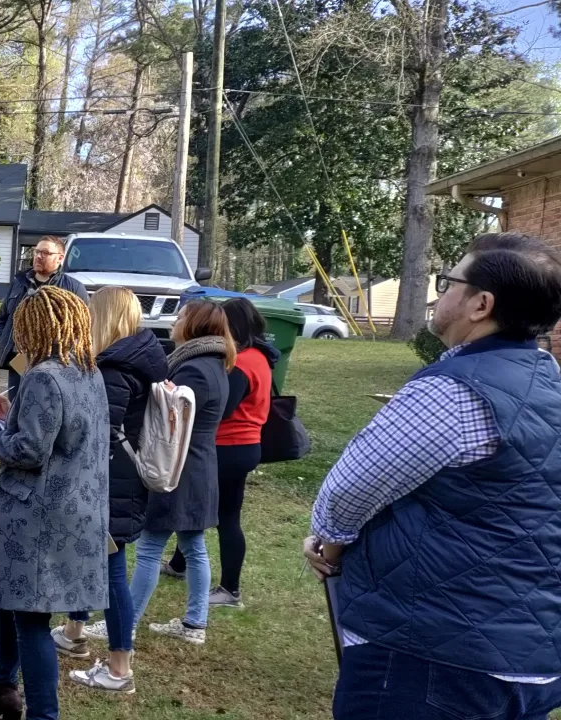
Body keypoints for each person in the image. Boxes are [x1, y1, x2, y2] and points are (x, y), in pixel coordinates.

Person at [305, 232, 561, 720]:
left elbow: (351, 489)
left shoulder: (453, 393)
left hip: (431, 656)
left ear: (481, 304)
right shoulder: (546, 377)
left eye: (449, 282)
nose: (439, 293)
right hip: (526, 656)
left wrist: (329, 546)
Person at [0, 285, 108, 720]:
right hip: (75, 511)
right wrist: (10, 415)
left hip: (38, 519)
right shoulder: (86, 372)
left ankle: (43, 714)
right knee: (7, 604)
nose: (18, 338)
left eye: (22, 329)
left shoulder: (45, 375)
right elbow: (65, 436)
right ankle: (1, 692)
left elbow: (28, 452)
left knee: (28, 620)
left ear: (37, 328)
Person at [52, 287, 169, 694]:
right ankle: (73, 630)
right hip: (117, 481)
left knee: (112, 570)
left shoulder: (118, 368)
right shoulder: (136, 358)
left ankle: (120, 667)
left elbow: (99, 430)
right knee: (95, 558)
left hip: (111, 484)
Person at [126, 301, 233, 646]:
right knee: (194, 546)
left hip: (178, 471)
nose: (175, 321)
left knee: (149, 547)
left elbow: (168, 424)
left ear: (195, 325)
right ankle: (194, 624)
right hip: (199, 468)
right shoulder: (213, 363)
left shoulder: (193, 370)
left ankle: (123, 625)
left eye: (182, 316)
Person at [163, 297, 279, 608]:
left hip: (230, 445)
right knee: (202, 508)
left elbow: (222, 409)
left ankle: (230, 588)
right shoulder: (260, 357)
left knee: (223, 517)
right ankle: (178, 565)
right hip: (246, 444)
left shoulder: (243, 362)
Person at [0, 236, 89, 391]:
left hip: (52, 365)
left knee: (41, 407)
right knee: (16, 405)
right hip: (19, 359)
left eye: (45, 253)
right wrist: (3, 343)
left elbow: (81, 330)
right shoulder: (19, 283)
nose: (38, 256)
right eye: (37, 251)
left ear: (60, 258)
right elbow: (2, 318)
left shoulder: (73, 288)